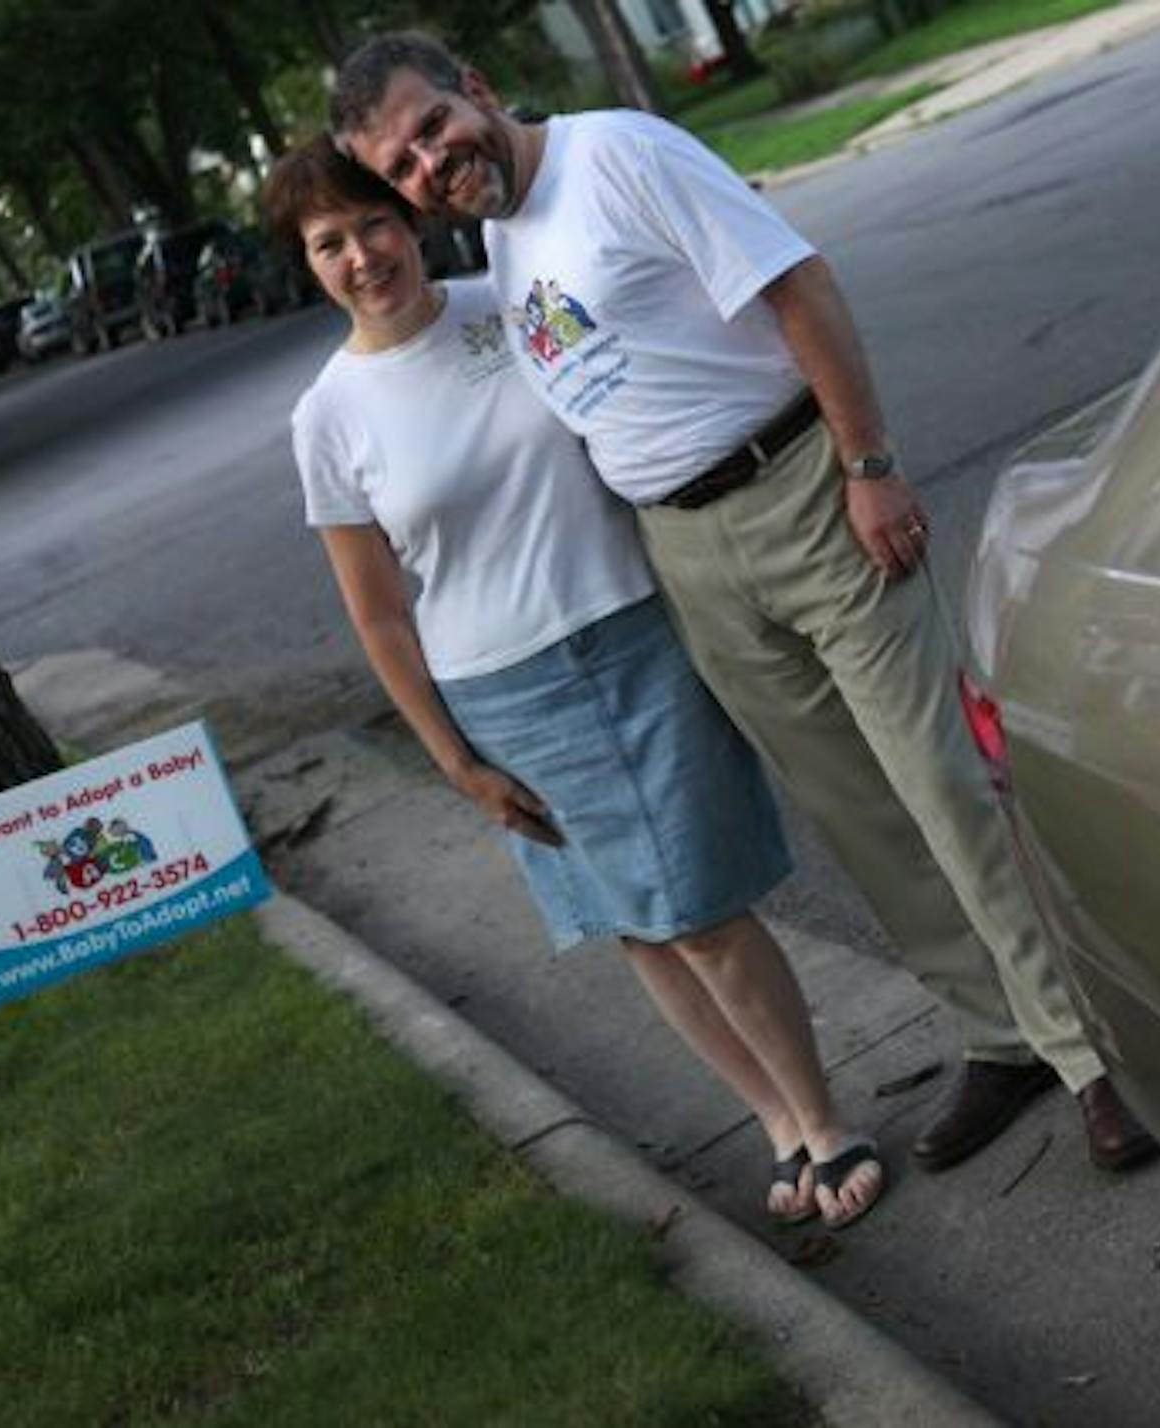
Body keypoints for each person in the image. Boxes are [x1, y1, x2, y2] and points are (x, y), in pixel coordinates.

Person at [330, 35, 1160, 1174]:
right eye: (401, 167)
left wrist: (868, 467)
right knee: (859, 813)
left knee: (943, 787)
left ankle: (1094, 1057)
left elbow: (799, 286)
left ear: (475, 89)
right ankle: (999, 1035)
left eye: (432, 128)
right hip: (690, 552)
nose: (429, 164)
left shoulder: (620, 154)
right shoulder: (499, 236)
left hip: (808, 493)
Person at [265, 136, 883, 1229]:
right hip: (502, 693)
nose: (362, 256)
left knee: (702, 913)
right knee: (637, 926)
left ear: (409, 221)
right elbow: (379, 615)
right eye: (328, 244)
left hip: (635, 633)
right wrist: (456, 761)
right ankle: (777, 1123)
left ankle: (826, 1122)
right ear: (308, 267)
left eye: (372, 224)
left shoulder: (504, 305)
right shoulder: (329, 417)